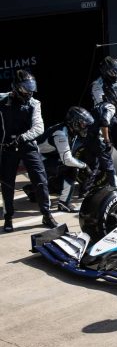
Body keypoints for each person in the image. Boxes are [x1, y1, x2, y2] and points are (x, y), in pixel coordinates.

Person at [0, 70, 58, 232]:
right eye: (26, 88)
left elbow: (39, 127)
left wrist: (22, 138)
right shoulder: (3, 99)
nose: (30, 91)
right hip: (7, 147)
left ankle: (47, 214)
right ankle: (8, 217)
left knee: (40, 179)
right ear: (17, 87)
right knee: (7, 184)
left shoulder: (34, 103)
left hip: (28, 145)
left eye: (31, 87)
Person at [37, 106, 94, 212]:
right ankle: (64, 203)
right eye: (83, 124)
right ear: (74, 122)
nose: (85, 127)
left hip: (47, 157)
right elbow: (67, 160)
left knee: (69, 168)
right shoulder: (61, 134)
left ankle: (33, 190)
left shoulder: (70, 131)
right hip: (38, 160)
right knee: (72, 168)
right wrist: (84, 166)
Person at [91, 56, 117, 171]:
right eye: (113, 72)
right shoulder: (97, 85)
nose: (116, 75)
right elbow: (102, 105)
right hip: (104, 118)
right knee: (106, 146)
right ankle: (107, 170)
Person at [80, 101, 117, 197]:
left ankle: (84, 191)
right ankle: (115, 189)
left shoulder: (98, 106)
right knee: (110, 166)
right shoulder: (110, 107)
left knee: (92, 166)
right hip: (98, 140)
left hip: (87, 138)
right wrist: (107, 140)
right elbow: (104, 121)